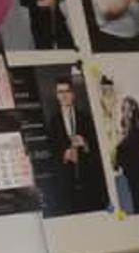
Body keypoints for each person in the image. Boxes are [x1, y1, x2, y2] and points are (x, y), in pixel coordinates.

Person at [45, 75, 108, 215]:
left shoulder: (85, 118)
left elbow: (98, 147)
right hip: (66, 182)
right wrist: (64, 154)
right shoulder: (53, 122)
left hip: (88, 180)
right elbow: (51, 149)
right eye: (60, 92)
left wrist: (85, 143)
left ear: (72, 94)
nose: (64, 95)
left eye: (66, 91)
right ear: (56, 96)